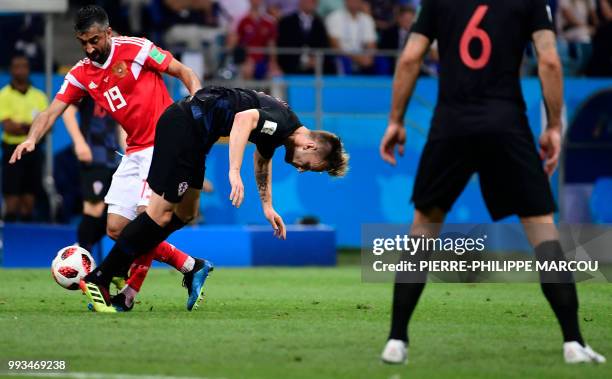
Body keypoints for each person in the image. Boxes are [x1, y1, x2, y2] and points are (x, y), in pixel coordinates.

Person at [379, 0, 606, 365]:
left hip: (451, 124)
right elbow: (549, 60)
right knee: (543, 232)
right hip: (506, 124)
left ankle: (396, 340)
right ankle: (573, 343)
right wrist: (553, 126)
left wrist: (395, 119)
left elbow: (409, 59)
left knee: (422, 229)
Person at [79, 85, 349, 313]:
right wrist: (233, 171)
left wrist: (267, 206)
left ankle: (174, 267)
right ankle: (102, 276)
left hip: (197, 137)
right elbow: (243, 119)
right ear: (311, 146)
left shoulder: (282, 130)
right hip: (183, 127)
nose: (301, 169)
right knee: (158, 213)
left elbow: (262, 160)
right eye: (311, 166)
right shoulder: (281, 121)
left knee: (186, 213)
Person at [9, 5, 209, 312]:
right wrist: (31, 138)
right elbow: (51, 111)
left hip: (164, 144)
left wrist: (198, 108)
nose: (89, 49)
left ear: (108, 33)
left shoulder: (136, 49)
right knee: (116, 229)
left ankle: (127, 296)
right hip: (134, 151)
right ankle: (189, 265)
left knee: (146, 220)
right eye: (83, 43)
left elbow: (184, 71)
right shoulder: (81, 73)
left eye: (94, 41)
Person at [62, 96, 122, 253]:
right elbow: (68, 112)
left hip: (114, 158)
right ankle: (80, 257)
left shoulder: (117, 85)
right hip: (93, 156)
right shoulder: (88, 83)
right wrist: (79, 142)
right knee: (94, 209)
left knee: (114, 214)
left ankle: (79, 251)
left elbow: (121, 122)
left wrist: (129, 151)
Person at [0, 55, 47, 222]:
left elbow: (48, 126)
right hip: (12, 150)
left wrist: (21, 125)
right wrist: (33, 126)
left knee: (30, 198)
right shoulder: (3, 95)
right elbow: (8, 127)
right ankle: (8, 237)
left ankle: (26, 238)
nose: (20, 70)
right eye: (17, 66)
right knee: (12, 198)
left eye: (24, 66)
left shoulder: (39, 96)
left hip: (33, 152)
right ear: (11, 70)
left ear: (29, 69)